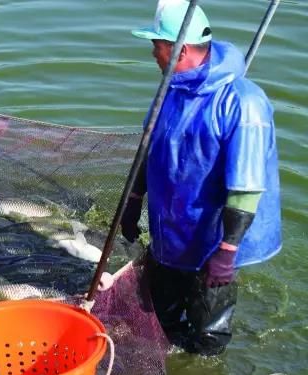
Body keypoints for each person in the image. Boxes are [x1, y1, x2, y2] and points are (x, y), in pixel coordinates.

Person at [119, 0, 282, 355]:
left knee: (207, 330)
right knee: (160, 314)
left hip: (215, 238)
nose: (153, 54)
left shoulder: (243, 103)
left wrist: (227, 251)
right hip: (172, 228)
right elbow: (151, 148)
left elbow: (246, 188)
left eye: (157, 46)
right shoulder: (170, 90)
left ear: (181, 50)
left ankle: (203, 371)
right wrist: (133, 200)